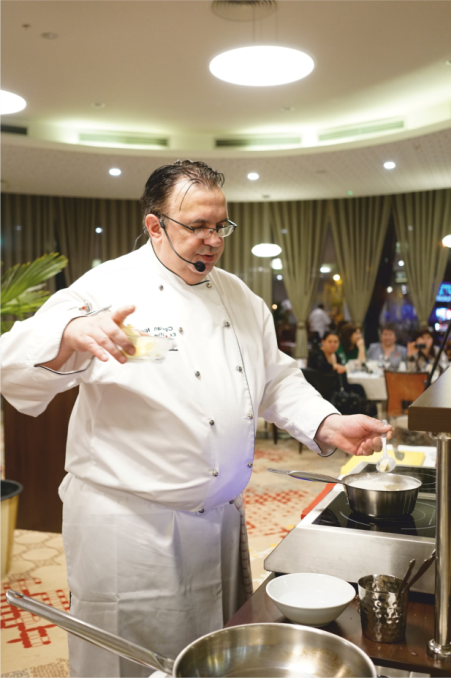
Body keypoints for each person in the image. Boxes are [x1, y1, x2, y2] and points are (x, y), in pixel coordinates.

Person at [0, 160, 391, 678]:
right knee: (128, 661)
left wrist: (327, 423)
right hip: (131, 528)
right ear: (155, 225)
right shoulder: (108, 286)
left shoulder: (241, 298)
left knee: (210, 656)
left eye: (220, 226)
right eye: (197, 226)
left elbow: (275, 379)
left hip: (219, 523)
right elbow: (11, 360)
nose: (212, 240)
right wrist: (69, 333)